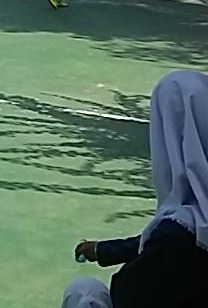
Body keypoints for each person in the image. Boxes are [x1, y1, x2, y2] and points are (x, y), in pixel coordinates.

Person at [64, 71, 208, 307]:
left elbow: (129, 292)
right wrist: (106, 250)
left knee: (84, 292)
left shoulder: (178, 233)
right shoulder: (189, 226)